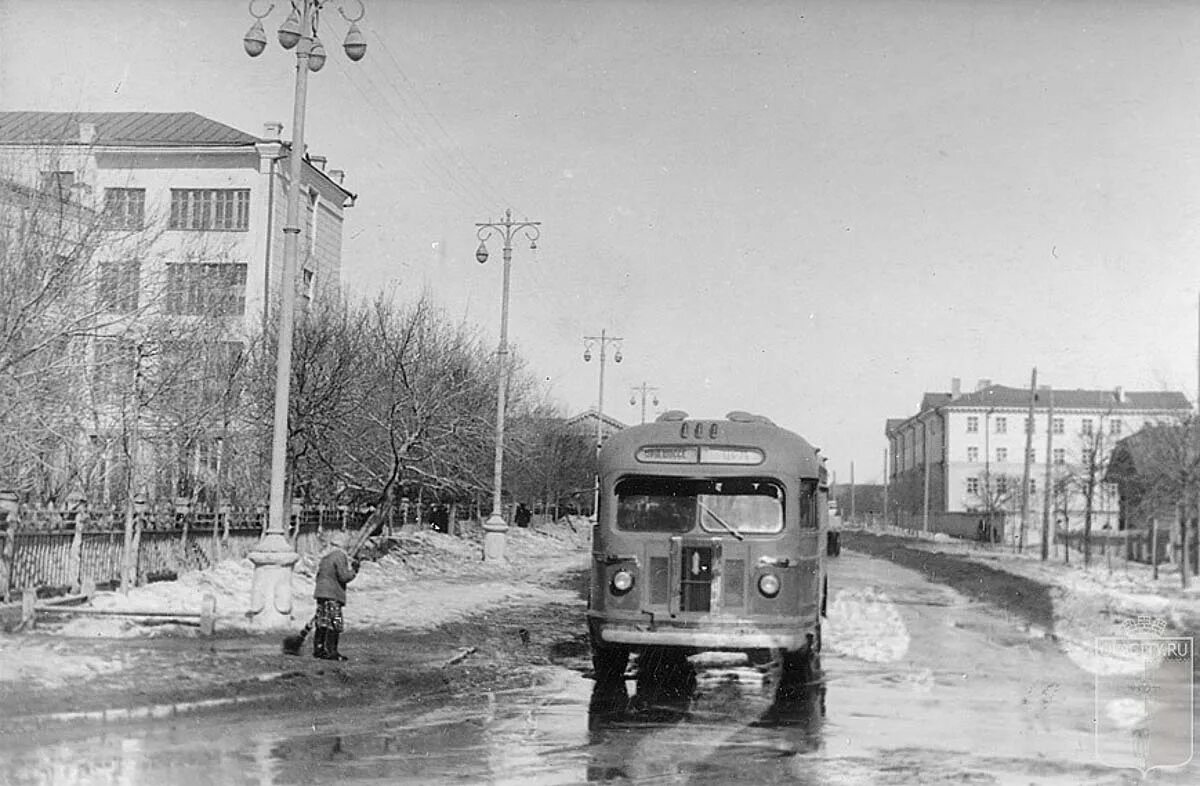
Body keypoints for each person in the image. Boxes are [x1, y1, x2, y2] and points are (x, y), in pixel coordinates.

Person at [313, 529, 359, 661]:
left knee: (322, 622)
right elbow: (343, 576)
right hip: (333, 595)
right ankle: (332, 651)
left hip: (321, 594)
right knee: (336, 622)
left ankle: (319, 649)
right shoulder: (339, 556)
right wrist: (354, 570)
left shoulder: (326, 557)